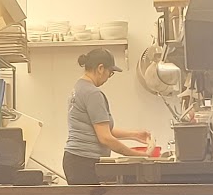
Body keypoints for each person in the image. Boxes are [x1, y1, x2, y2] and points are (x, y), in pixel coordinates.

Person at [63, 47, 150, 185]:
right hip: (85, 163)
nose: (108, 77)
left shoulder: (79, 88)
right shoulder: (93, 94)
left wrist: (135, 135)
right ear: (100, 68)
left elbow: (102, 129)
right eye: (110, 73)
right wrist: (138, 156)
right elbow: (105, 138)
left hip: (76, 160)